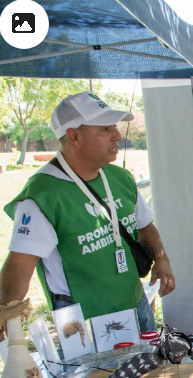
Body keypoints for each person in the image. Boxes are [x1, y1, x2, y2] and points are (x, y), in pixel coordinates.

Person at [0, 91, 174, 339]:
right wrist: (5, 315)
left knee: (151, 374)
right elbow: (18, 265)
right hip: (84, 322)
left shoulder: (120, 177)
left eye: (114, 126)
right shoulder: (42, 194)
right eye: (104, 129)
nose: (117, 135)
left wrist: (162, 259)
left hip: (135, 306)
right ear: (74, 136)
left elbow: (146, 226)